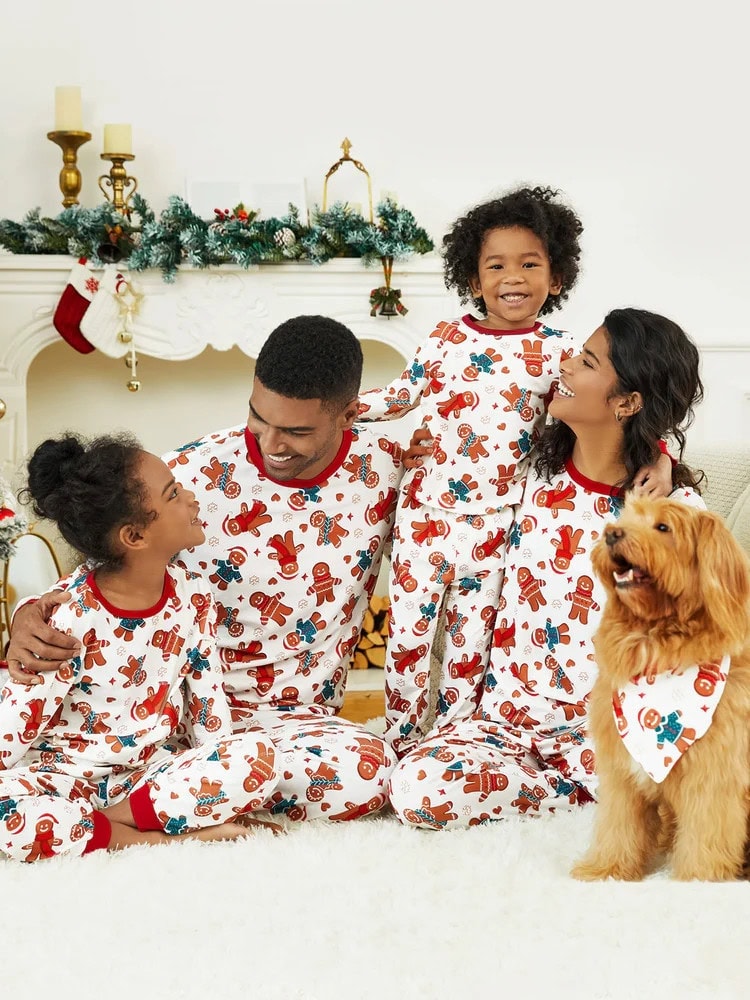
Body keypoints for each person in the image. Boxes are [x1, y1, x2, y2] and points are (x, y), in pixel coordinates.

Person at [6, 316, 402, 821]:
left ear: (349, 414)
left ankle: (155, 808)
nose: (271, 443)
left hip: (296, 724)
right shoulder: (187, 477)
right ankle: (163, 805)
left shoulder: (388, 471)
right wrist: (29, 613)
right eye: (259, 418)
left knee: (370, 772)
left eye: (296, 431)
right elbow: (109, 567)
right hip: (165, 724)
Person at [357, 187, 671, 759]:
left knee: (469, 648)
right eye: (495, 265)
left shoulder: (560, 351)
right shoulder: (447, 338)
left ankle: (450, 743)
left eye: (530, 264)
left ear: (555, 278)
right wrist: (349, 408)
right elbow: (405, 393)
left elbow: (628, 405)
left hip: (500, 525)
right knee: (406, 638)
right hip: (426, 517)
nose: (514, 277)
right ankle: (399, 744)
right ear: (473, 280)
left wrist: (663, 456)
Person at [386, 307, 705, 828]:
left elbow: (697, 644)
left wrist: (661, 459)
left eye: (586, 361)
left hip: (604, 733)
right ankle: (579, 799)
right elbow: (468, 419)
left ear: (627, 401)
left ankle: (604, 793)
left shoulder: (674, 516)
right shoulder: (530, 474)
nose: (565, 366)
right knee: (419, 790)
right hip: (502, 728)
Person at [0, 433, 280, 861]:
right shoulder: (69, 616)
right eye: (173, 494)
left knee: (258, 758)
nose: (189, 497)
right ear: (134, 536)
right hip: (64, 779)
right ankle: (164, 838)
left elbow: (208, 706)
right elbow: (16, 725)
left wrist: (223, 773)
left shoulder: (192, 595)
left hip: (149, 776)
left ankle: (106, 825)